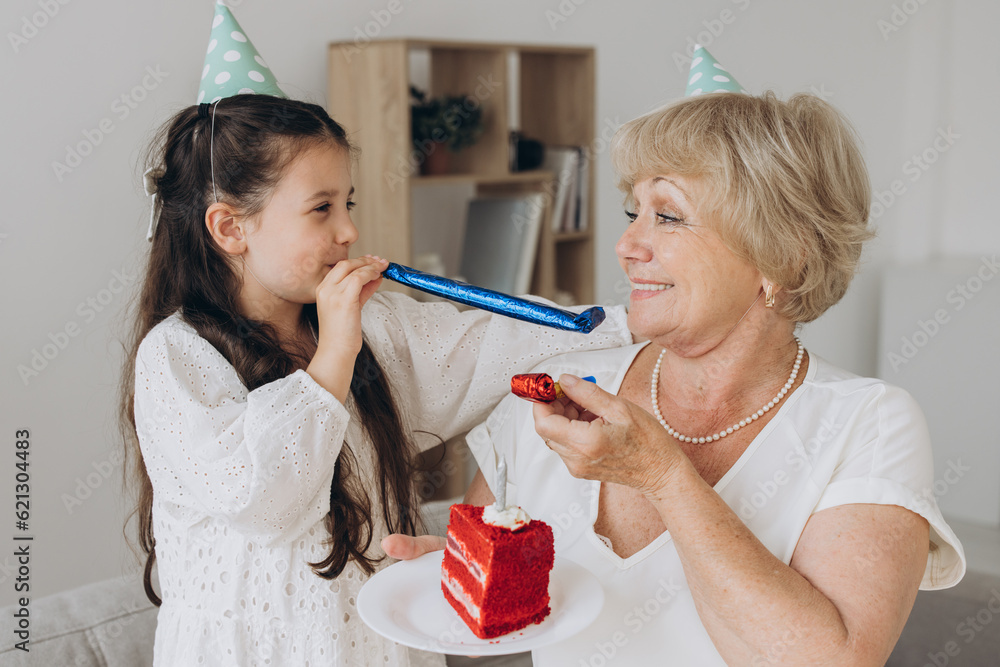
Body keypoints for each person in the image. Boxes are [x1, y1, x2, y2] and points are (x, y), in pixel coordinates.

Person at [383, 90, 966, 666]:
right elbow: (496, 575)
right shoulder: (559, 386)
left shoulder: (871, 424)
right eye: (633, 212)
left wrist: (663, 477)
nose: (627, 245)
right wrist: (467, 577)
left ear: (782, 257)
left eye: (667, 216)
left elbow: (830, 660)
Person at [117, 93, 632, 667]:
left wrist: (628, 325)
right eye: (321, 208)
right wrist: (336, 351)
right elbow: (266, 502)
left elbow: (491, 347)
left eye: (348, 202)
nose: (349, 229)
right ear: (230, 227)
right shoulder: (175, 357)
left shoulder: (371, 326)